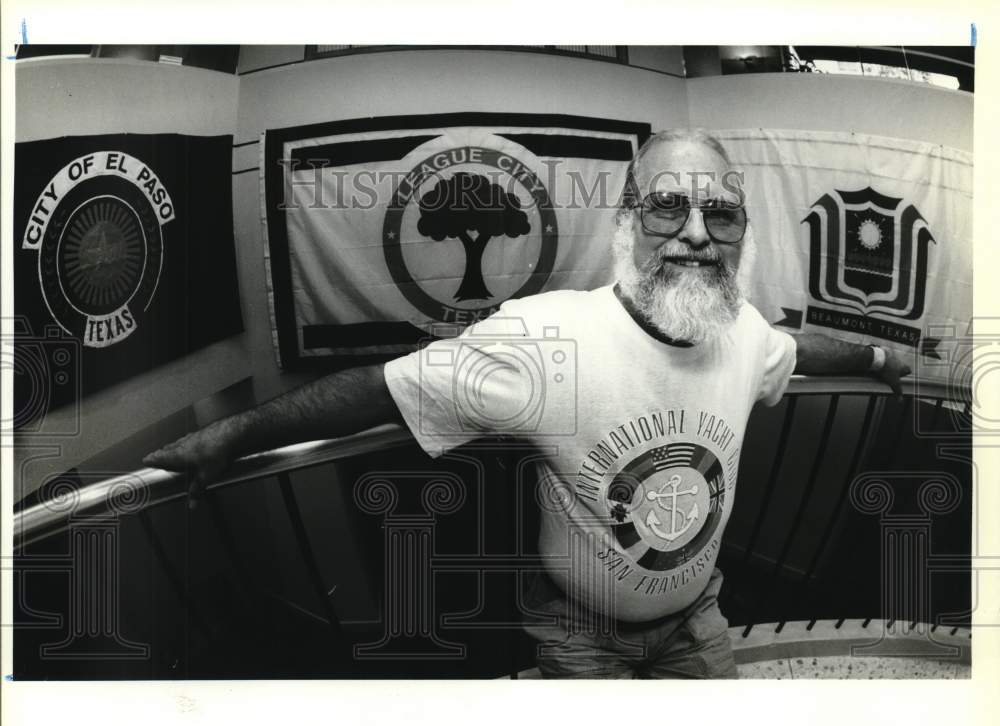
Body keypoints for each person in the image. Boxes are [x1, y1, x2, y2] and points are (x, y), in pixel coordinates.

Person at [144, 129, 911, 679]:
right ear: (624, 225)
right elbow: (381, 388)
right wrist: (234, 435)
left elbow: (798, 347)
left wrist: (879, 356)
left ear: (742, 234)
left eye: (722, 215)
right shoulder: (547, 339)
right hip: (580, 637)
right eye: (666, 208)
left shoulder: (741, 328)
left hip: (699, 619)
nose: (696, 235)